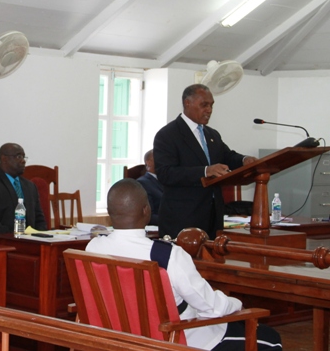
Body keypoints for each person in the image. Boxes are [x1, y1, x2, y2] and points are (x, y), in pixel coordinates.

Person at [86, 179, 281, 350]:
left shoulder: (93, 247)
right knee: (269, 339)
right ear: (147, 210)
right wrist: (237, 304)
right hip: (173, 339)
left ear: (111, 213)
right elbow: (211, 307)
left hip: (117, 335)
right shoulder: (167, 254)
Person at [153, 84, 257, 239]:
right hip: (183, 218)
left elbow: (227, 156)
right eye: (204, 105)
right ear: (187, 103)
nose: (209, 110)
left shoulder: (211, 134)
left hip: (213, 217)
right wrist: (205, 171)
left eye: (211, 105)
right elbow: (165, 173)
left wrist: (244, 160)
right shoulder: (168, 135)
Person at [0, 143, 47, 237]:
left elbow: (40, 220)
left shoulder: (30, 186)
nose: (23, 161)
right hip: (1, 243)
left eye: (24, 157)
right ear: (4, 159)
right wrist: (14, 236)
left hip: (31, 243)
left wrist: (38, 238)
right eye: (19, 156)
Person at [136, 149, 162, 225]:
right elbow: (148, 216)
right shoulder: (142, 183)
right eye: (160, 159)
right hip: (159, 228)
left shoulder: (166, 180)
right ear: (149, 162)